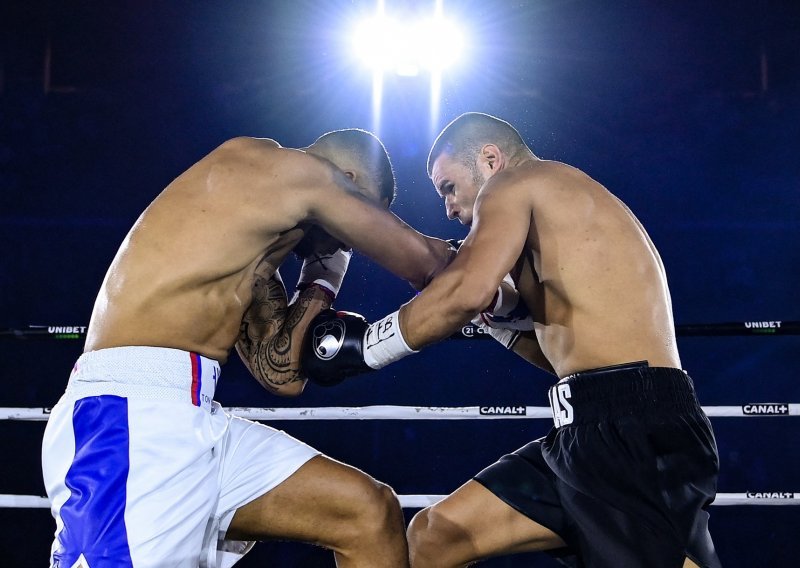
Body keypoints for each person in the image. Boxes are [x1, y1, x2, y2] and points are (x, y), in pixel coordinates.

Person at [302, 113, 721, 567]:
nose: (449, 209)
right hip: (583, 433)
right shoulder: (555, 211)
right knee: (435, 535)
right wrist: (498, 319)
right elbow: (555, 355)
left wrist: (368, 348)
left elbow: (466, 289)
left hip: (634, 433)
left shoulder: (517, 183)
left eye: (448, 187)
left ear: (490, 159)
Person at [41, 129, 454, 568]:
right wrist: (505, 250)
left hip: (195, 417)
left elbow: (281, 374)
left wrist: (322, 277)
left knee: (366, 513)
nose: (347, 240)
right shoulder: (294, 170)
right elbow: (425, 262)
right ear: (346, 179)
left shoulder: (250, 226)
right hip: (128, 421)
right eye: (362, 212)